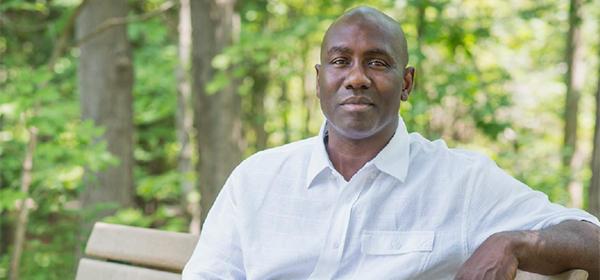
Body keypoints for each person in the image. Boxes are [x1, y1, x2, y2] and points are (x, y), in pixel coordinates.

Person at [183, 6, 600, 280]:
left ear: (406, 83)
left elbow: (591, 240)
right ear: (319, 80)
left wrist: (513, 242)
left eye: (377, 62)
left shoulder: (461, 182)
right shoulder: (257, 178)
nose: (357, 77)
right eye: (340, 61)